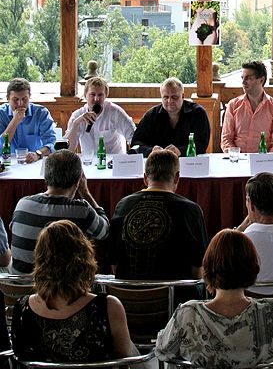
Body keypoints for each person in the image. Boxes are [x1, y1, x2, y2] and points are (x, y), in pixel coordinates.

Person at [156, 228, 273, 368]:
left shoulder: (188, 314)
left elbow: (163, 351)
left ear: (208, 266)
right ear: (252, 267)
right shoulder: (272, 311)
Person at [11, 219, 137, 363]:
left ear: (40, 258)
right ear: (84, 257)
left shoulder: (22, 308)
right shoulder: (108, 307)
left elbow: (19, 359)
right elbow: (124, 362)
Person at [109, 147, 208, 280]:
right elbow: (198, 269)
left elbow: (114, 263)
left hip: (127, 295)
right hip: (176, 296)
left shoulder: (123, 205)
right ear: (177, 177)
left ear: (145, 178)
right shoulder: (191, 211)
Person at [10, 150, 109, 274]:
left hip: (20, 288)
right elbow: (104, 232)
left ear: (46, 177)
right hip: (66, 290)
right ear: (79, 179)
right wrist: (86, 193)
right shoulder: (82, 210)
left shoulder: (22, 204)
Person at [130, 76, 210, 157]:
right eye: (166, 97)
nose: (170, 101)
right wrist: (151, 151)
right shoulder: (151, 115)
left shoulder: (198, 113)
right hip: (158, 163)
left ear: (183, 96)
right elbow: (136, 143)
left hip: (188, 161)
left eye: (174, 97)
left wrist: (180, 151)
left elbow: (202, 144)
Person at [220, 61, 273, 153]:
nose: (243, 82)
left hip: (264, 161)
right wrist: (235, 157)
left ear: (261, 80)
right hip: (238, 160)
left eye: (248, 78)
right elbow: (226, 139)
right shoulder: (233, 105)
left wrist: (267, 161)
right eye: (242, 78)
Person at [65, 75, 136, 155]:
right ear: (85, 95)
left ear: (106, 96)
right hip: (88, 162)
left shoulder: (115, 112)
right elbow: (68, 150)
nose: (96, 99)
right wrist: (76, 124)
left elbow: (134, 137)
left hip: (113, 162)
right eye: (92, 94)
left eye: (100, 95)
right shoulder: (77, 116)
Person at [0, 77, 55, 163]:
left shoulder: (41, 113)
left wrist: (38, 153)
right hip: (7, 161)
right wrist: (14, 121)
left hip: (35, 161)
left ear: (29, 96)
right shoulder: (1, 113)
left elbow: (51, 143)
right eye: (15, 100)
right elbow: (0, 145)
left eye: (24, 99)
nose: (20, 104)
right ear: (8, 98)